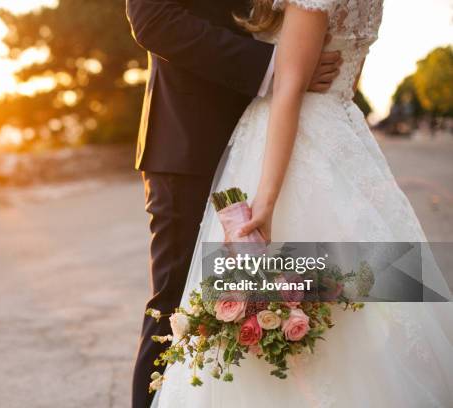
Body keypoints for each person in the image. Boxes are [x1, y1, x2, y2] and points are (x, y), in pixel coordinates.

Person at [151, 0, 453, 407]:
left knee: (300, 284)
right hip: (341, 140)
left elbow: (290, 87)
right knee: (356, 288)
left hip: (287, 146)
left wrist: (267, 201)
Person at [125, 0, 343, 406]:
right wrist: (277, 67)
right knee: (178, 308)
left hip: (284, 142)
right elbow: (152, 20)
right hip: (191, 143)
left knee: (287, 300)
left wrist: (295, 64)